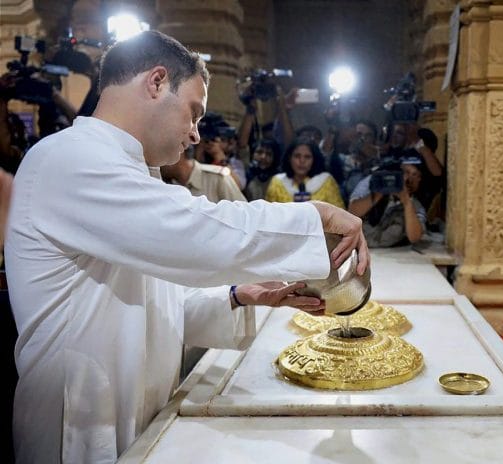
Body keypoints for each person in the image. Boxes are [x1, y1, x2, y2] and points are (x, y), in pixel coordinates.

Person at [5, 30, 368, 464]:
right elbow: (192, 229)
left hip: (143, 413)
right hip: (79, 426)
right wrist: (318, 216)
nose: (196, 135)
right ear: (156, 82)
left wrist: (238, 296)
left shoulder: (136, 172)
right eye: (194, 113)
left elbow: (158, 308)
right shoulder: (67, 158)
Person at [348, 156, 427, 247]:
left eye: (414, 175)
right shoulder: (373, 182)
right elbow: (352, 212)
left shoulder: (415, 205)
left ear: (419, 180)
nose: (408, 179)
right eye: (406, 173)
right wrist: (379, 193)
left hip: (387, 254)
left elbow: (415, 237)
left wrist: (407, 202)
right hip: (358, 244)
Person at [265, 138, 345, 208]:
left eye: (307, 157)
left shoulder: (326, 181)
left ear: (314, 160)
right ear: (289, 158)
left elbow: (340, 216)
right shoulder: (277, 182)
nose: (302, 161)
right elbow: (269, 216)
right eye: (297, 156)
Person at [161, 146, 246, 203]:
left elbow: (243, 213)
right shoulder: (165, 185)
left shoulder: (217, 178)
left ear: (179, 153)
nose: (157, 165)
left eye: (162, 156)